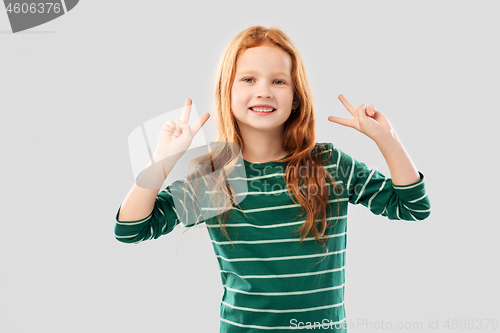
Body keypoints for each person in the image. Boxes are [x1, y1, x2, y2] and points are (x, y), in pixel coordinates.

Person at [115, 25, 431, 332]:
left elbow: (413, 207)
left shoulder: (328, 165)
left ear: (296, 97)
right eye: (249, 79)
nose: (263, 91)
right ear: (228, 91)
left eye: (278, 81)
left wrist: (386, 138)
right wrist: (163, 159)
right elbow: (131, 229)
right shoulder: (215, 179)